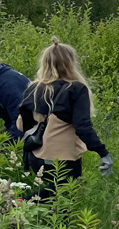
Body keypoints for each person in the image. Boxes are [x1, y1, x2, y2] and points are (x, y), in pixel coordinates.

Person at [17, 37, 111, 200]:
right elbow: (82, 127)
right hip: (63, 157)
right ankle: (16, 206)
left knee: (52, 197)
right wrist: (103, 153)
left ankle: (19, 213)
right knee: (63, 197)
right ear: (70, 63)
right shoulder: (75, 89)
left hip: (36, 155)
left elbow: (22, 124)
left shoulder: (34, 88)